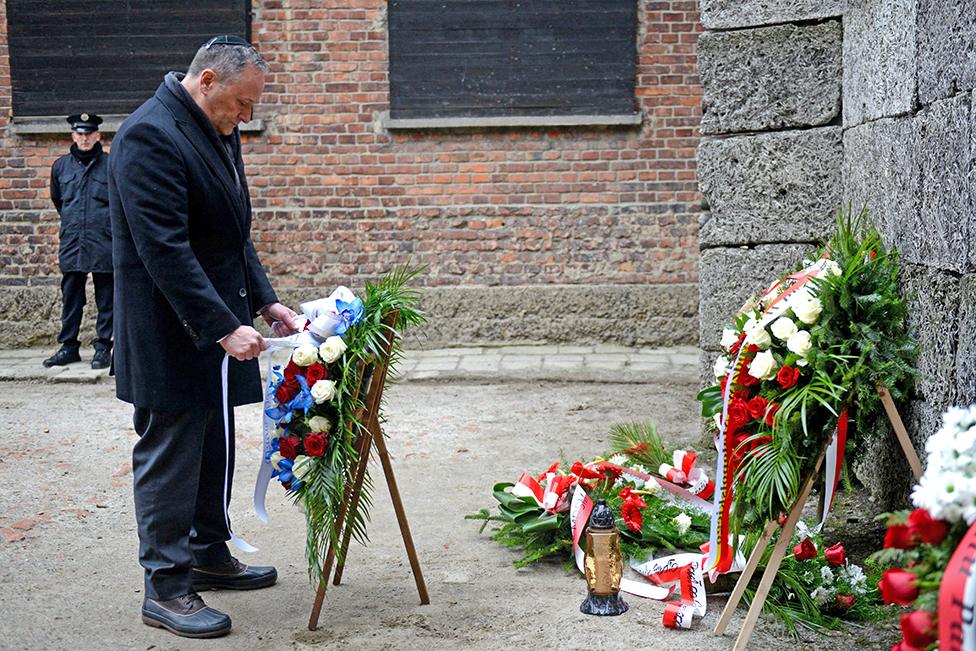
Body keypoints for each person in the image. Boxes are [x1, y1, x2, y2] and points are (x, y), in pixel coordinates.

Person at [108, 36, 298, 639]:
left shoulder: (218, 127)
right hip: (171, 329)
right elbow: (163, 249)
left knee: (213, 442)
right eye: (241, 104)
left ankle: (207, 551)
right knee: (170, 451)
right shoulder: (150, 135)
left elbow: (232, 232)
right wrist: (221, 326)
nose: (246, 118)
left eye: (251, 109)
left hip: (222, 323)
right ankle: (165, 587)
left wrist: (266, 301)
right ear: (208, 80)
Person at [45, 113, 113, 369]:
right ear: (73, 136)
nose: (84, 139)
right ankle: (69, 347)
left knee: (106, 296)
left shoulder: (111, 165)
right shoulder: (61, 167)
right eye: (80, 134)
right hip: (73, 241)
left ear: (98, 135)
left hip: (103, 240)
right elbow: (58, 200)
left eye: (89, 134)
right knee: (71, 296)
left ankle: (103, 347)